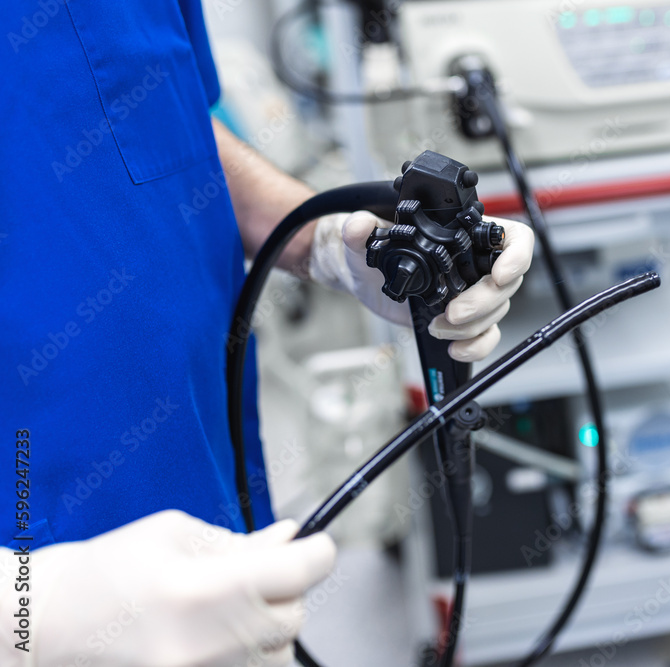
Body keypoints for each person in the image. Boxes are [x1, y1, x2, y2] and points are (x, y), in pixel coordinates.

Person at [0, 1, 533, 665]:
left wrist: (324, 240)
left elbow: (162, 116)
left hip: (204, 478)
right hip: (49, 547)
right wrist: (29, 609)